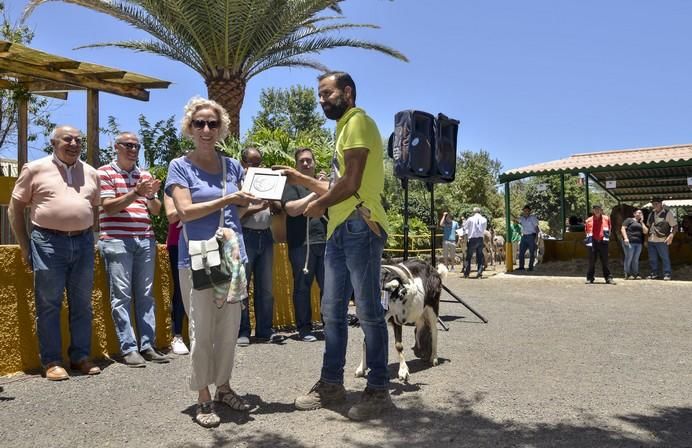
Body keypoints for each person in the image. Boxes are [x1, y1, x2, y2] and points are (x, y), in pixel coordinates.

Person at [277, 71, 391, 421]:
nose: (322, 100)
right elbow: (338, 183)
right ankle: (331, 384)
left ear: (348, 92)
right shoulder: (343, 130)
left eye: (327, 94)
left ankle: (378, 390)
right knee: (332, 312)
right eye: (320, 95)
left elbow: (352, 182)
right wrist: (301, 180)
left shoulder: (358, 122)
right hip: (341, 229)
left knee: (369, 311)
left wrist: (320, 203)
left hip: (359, 225)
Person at [165, 97, 255, 428]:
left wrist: (251, 201)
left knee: (229, 329)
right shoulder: (180, 166)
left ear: (221, 129)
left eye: (212, 124)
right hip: (198, 257)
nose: (206, 129)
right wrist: (229, 198)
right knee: (202, 330)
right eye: (200, 123)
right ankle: (203, 396)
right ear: (190, 127)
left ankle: (224, 387)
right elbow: (184, 212)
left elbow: (237, 211)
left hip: (232, 253)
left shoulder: (233, 166)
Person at [8, 125, 101, 380]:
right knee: (49, 304)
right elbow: (15, 210)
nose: (73, 143)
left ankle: (80, 356)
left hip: (82, 243)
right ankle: (51, 361)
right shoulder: (34, 169)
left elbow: (95, 210)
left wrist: (91, 239)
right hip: (47, 242)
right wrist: (25, 245)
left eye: (78, 140)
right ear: (54, 143)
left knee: (82, 303)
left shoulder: (91, 172)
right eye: (67, 139)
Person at [97, 132, 169, 367]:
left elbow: (157, 211)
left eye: (137, 146)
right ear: (116, 147)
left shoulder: (144, 175)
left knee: (145, 295)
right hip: (116, 239)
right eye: (128, 145)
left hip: (145, 239)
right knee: (121, 296)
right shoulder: (104, 172)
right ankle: (128, 348)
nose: (133, 150)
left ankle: (147, 345)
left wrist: (149, 195)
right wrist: (136, 192)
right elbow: (108, 207)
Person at [282, 147, 327, 343]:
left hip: (325, 241)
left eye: (309, 160)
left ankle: (330, 325)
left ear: (315, 163)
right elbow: (292, 210)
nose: (306, 163)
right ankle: (304, 328)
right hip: (301, 243)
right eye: (302, 161)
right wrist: (315, 194)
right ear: (296, 165)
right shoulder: (290, 184)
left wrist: (321, 187)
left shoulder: (323, 184)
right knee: (302, 287)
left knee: (329, 287)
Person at [237, 147, 279, 346]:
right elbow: (236, 214)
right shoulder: (239, 184)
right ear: (244, 163)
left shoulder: (267, 181)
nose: (256, 166)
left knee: (266, 287)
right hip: (246, 236)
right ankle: (242, 331)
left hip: (266, 235)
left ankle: (264, 329)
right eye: (252, 162)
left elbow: (278, 210)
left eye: (259, 162)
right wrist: (257, 207)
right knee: (242, 287)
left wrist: (274, 202)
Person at [164, 193, 189, 355]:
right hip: (178, 241)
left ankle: (202, 333)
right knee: (181, 289)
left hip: (203, 239)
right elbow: (172, 216)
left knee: (205, 288)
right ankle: (177, 335)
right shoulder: (171, 189)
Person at [646, 198, 677, 280]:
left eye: (656, 203)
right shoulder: (651, 214)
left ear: (661, 204)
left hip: (662, 240)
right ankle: (654, 273)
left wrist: (671, 235)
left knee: (665, 258)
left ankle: (667, 274)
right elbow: (648, 227)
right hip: (651, 240)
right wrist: (646, 239)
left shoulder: (668, 213)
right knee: (652, 258)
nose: (654, 205)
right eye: (653, 204)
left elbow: (675, 226)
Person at [584, 204, 615, 284]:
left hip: (603, 242)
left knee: (605, 261)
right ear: (593, 211)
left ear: (601, 210)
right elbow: (586, 231)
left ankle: (608, 278)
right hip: (593, 242)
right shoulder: (588, 220)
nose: (597, 211)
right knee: (591, 261)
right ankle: (590, 278)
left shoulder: (606, 218)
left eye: (599, 209)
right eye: (595, 209)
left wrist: (606, 238)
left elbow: (610, 229)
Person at [621, 209, 648, 280]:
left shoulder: (641, 223)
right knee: (629, 257)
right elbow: (623, 228)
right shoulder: (629, 220)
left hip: (638, 243)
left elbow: (645, 231)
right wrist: (626, 238)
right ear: (634, 214)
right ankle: (628, 273)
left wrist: (642, 222)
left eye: (641, 213)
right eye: (638, 213)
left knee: (636, 259)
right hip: (629, 242)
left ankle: (636, 273)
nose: (640, 214)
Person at [462, 207, 487, 278]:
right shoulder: (484, 219)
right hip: (480, 238)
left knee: (469, 257)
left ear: (474, 212)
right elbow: (484, 229)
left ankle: (467, 273)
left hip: (472, 239)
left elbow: (465, 227)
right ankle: (479, 273)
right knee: (480, 256)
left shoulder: (470, 219)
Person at [517, 205, 539, 271]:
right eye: (524, 211)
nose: (525, 212)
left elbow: (536, 228)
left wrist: (536, 237)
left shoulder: (533, 218)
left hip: (531, 236)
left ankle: (530, 267)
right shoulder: (522, 218)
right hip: (524, 236)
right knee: (521, 252)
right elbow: (516, 220)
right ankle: (521, 267)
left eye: (527, 210)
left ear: (529, 211)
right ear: (523, 211)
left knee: (532, 252)